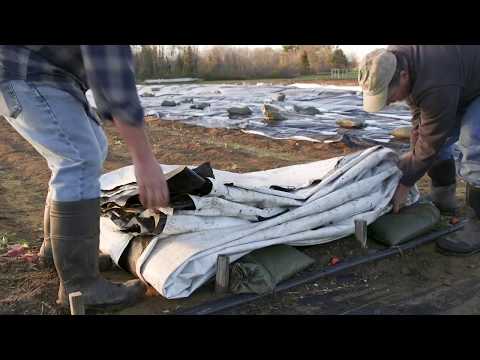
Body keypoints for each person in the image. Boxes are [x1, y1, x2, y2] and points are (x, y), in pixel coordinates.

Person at [0, 45, 170, 310]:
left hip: (47, 74)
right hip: (26, 71)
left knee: (92, 148)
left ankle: (56, 254)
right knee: (78, 159)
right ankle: (81, 286)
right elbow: (111, 72)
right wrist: (144, 159)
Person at [358, 45, 480, 256]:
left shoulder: (436, 79)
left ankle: (478, 225)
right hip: (460, 82)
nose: (387, 102)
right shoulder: (392, 59)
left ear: (404, 76)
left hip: (465, 85)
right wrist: (414, 152)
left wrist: (406, 181)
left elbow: (432, 139)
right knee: (428, 146)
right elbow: (419, 117)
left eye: (389, 95)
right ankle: (443, 200)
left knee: (473, 139)